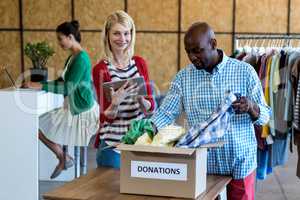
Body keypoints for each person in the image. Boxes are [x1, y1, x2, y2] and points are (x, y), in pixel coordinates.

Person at [150, 22, 271, 200]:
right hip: (202, 167)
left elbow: (265, 116)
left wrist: (251, 107)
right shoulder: (183, 78)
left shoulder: (245, 72)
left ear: (213, 44)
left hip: (240, 164)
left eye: (197, 50)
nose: (192, 57)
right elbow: (166, 113)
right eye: (188, 51)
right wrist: (145, 130)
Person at [24, 20, 99, 179]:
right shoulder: (73, 58)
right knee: (35, 125)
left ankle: (63, 157)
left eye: (60, 38)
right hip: (75, 108)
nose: (59, 43)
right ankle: (63, 157)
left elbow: (67, 88)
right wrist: (39, 84)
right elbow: (62, 81)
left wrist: (39, 86)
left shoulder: (81, 59)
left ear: (70, 36)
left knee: (35, 125)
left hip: (82, 111)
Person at [92, 10, 155, 168]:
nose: (123, 39)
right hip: (113, 146)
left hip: (140, 142)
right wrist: (115, 103)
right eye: (117, 34)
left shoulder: (139, 63)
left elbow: (150, 109)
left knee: (141, 191)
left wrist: (141, 99)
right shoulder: (101, 69)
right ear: (107, 35)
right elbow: (106, 116)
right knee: (111, 192)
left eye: (127, 33)